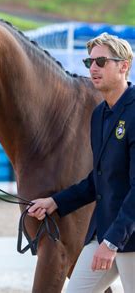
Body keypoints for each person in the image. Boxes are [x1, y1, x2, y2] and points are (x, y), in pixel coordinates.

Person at [28, 33, 134, 292]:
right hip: (104, 234)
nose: (93, 69)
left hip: (127, 239)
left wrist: (112, 243)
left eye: (101, 62)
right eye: (89, 63)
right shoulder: (99, 115)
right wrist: (55, 202)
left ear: (124, 66)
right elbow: (97, 180)